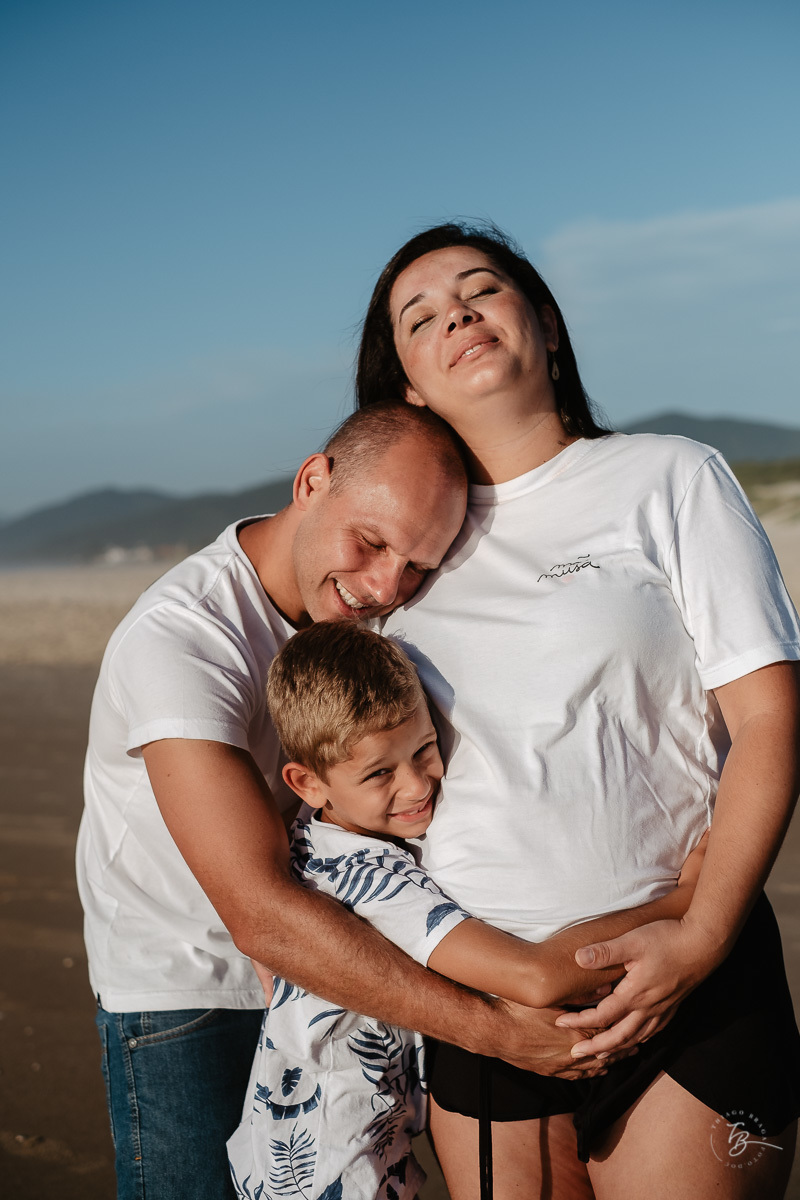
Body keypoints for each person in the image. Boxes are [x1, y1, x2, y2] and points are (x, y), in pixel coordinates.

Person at [356, 222, 800, 1199]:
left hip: (687, 977)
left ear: (545, 325)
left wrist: (700, 938)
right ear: (410, 387)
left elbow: (770, 720)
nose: (457, 314)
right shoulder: (396, 564)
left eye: (481, 290)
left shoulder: (668, 477)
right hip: (486, 1012)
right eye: (420, 317)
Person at [78, 400, 613, 1200]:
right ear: (312, 481)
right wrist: (499, 1033)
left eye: (418, 567)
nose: (383, 586)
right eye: (370, 542)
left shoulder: (374, 622)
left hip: (336, 974)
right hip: (187, 992)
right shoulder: (183, 638)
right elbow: (259, 912)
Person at [228, 620, 707, 1200]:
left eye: (425, 750)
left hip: (317, 1141)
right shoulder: (372, 882)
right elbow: (538, 977)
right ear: (307, 782)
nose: (416, 785)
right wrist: (686, 901)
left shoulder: (317, 837)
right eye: (379, 773)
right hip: (327, 1161)